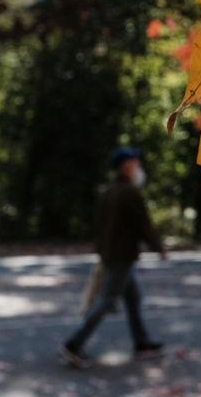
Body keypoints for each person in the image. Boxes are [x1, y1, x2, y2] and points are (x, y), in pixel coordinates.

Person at [61, 147, 166, 368]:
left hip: (111, 254)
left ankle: (142, 342)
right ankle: (74, 344)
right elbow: (143, 225)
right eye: (136, 163)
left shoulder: (108, 192)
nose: (139, 167)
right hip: (122, 256)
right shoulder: (129, 192)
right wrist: (159, 248)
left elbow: (99, 227)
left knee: (133, 298)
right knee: (107, 301)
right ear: (126, 166)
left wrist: (101, 251)